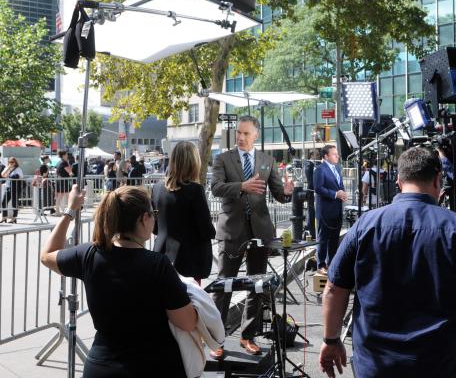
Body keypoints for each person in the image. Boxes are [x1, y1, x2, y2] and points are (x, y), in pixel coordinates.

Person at [319, 147, 456, 378]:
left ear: (398, 180)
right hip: (443, 365)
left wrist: (331, 340)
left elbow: (334, 289)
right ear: (438, 180)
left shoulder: (365, 225)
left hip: (377, 366)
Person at [39, 184, 197, 377]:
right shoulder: (158, 265)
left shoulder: (89, 254)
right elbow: (187, 323)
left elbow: (46, 255)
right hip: (153, 366)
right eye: (153, 213)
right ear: (143, 218)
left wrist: (71, 211)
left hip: (101, 366)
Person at [210, 115, 294, 359]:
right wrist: (241, 187)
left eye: (246, 133)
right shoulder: (222, 159)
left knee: (256, 286)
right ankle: (216, 338)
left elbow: (279, 194)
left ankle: (248, 336)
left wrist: (287, 193)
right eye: (239, 133)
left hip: (261, 232)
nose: (241, 137)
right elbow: (215, 188)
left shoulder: (267, 160)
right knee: (224, 285)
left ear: (256, 135)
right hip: (231, 232)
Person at [152, 141, 216, 283]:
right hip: (189, 261)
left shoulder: (157, 188)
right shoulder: (195, 190)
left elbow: (155, 228)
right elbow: (207, 231)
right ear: (194, 163)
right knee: (190, 303)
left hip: (161, 256)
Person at [313, 145, 347, 274]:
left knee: (334, 239)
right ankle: (321, 265)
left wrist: (343, 193)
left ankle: (331, 263)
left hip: (337, 210)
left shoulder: (337, 168)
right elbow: (318, 188)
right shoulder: (320, 169)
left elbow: (340, 185)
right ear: (326, 156)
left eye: (337, 154)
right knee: (323, 239)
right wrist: (335, 194)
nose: (337, 156)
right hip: (325, 211)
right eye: (334, 154)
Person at [1, 157, 23, 223]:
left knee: (14, 203)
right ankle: (4, 217)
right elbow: (2, 175)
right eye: (10, 162)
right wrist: (8, 168)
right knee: (3, 202)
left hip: (15, 188)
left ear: (15, 162)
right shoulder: (8, 169)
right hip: (8, 187)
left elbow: (19, 176)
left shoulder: (18, 169)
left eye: (12, 162)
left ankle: (14, 218)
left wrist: (10, 176)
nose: (11, 163)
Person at [55, 150, 72, 215]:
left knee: (60, 196)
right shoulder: (64, 162)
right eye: (66, 154)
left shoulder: (59, 162)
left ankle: (58, 210)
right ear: (64, 155)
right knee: (66, 195)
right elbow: (70, 172)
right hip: (64, 181)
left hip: (60, 180)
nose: (67, 156)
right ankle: (66, 210)